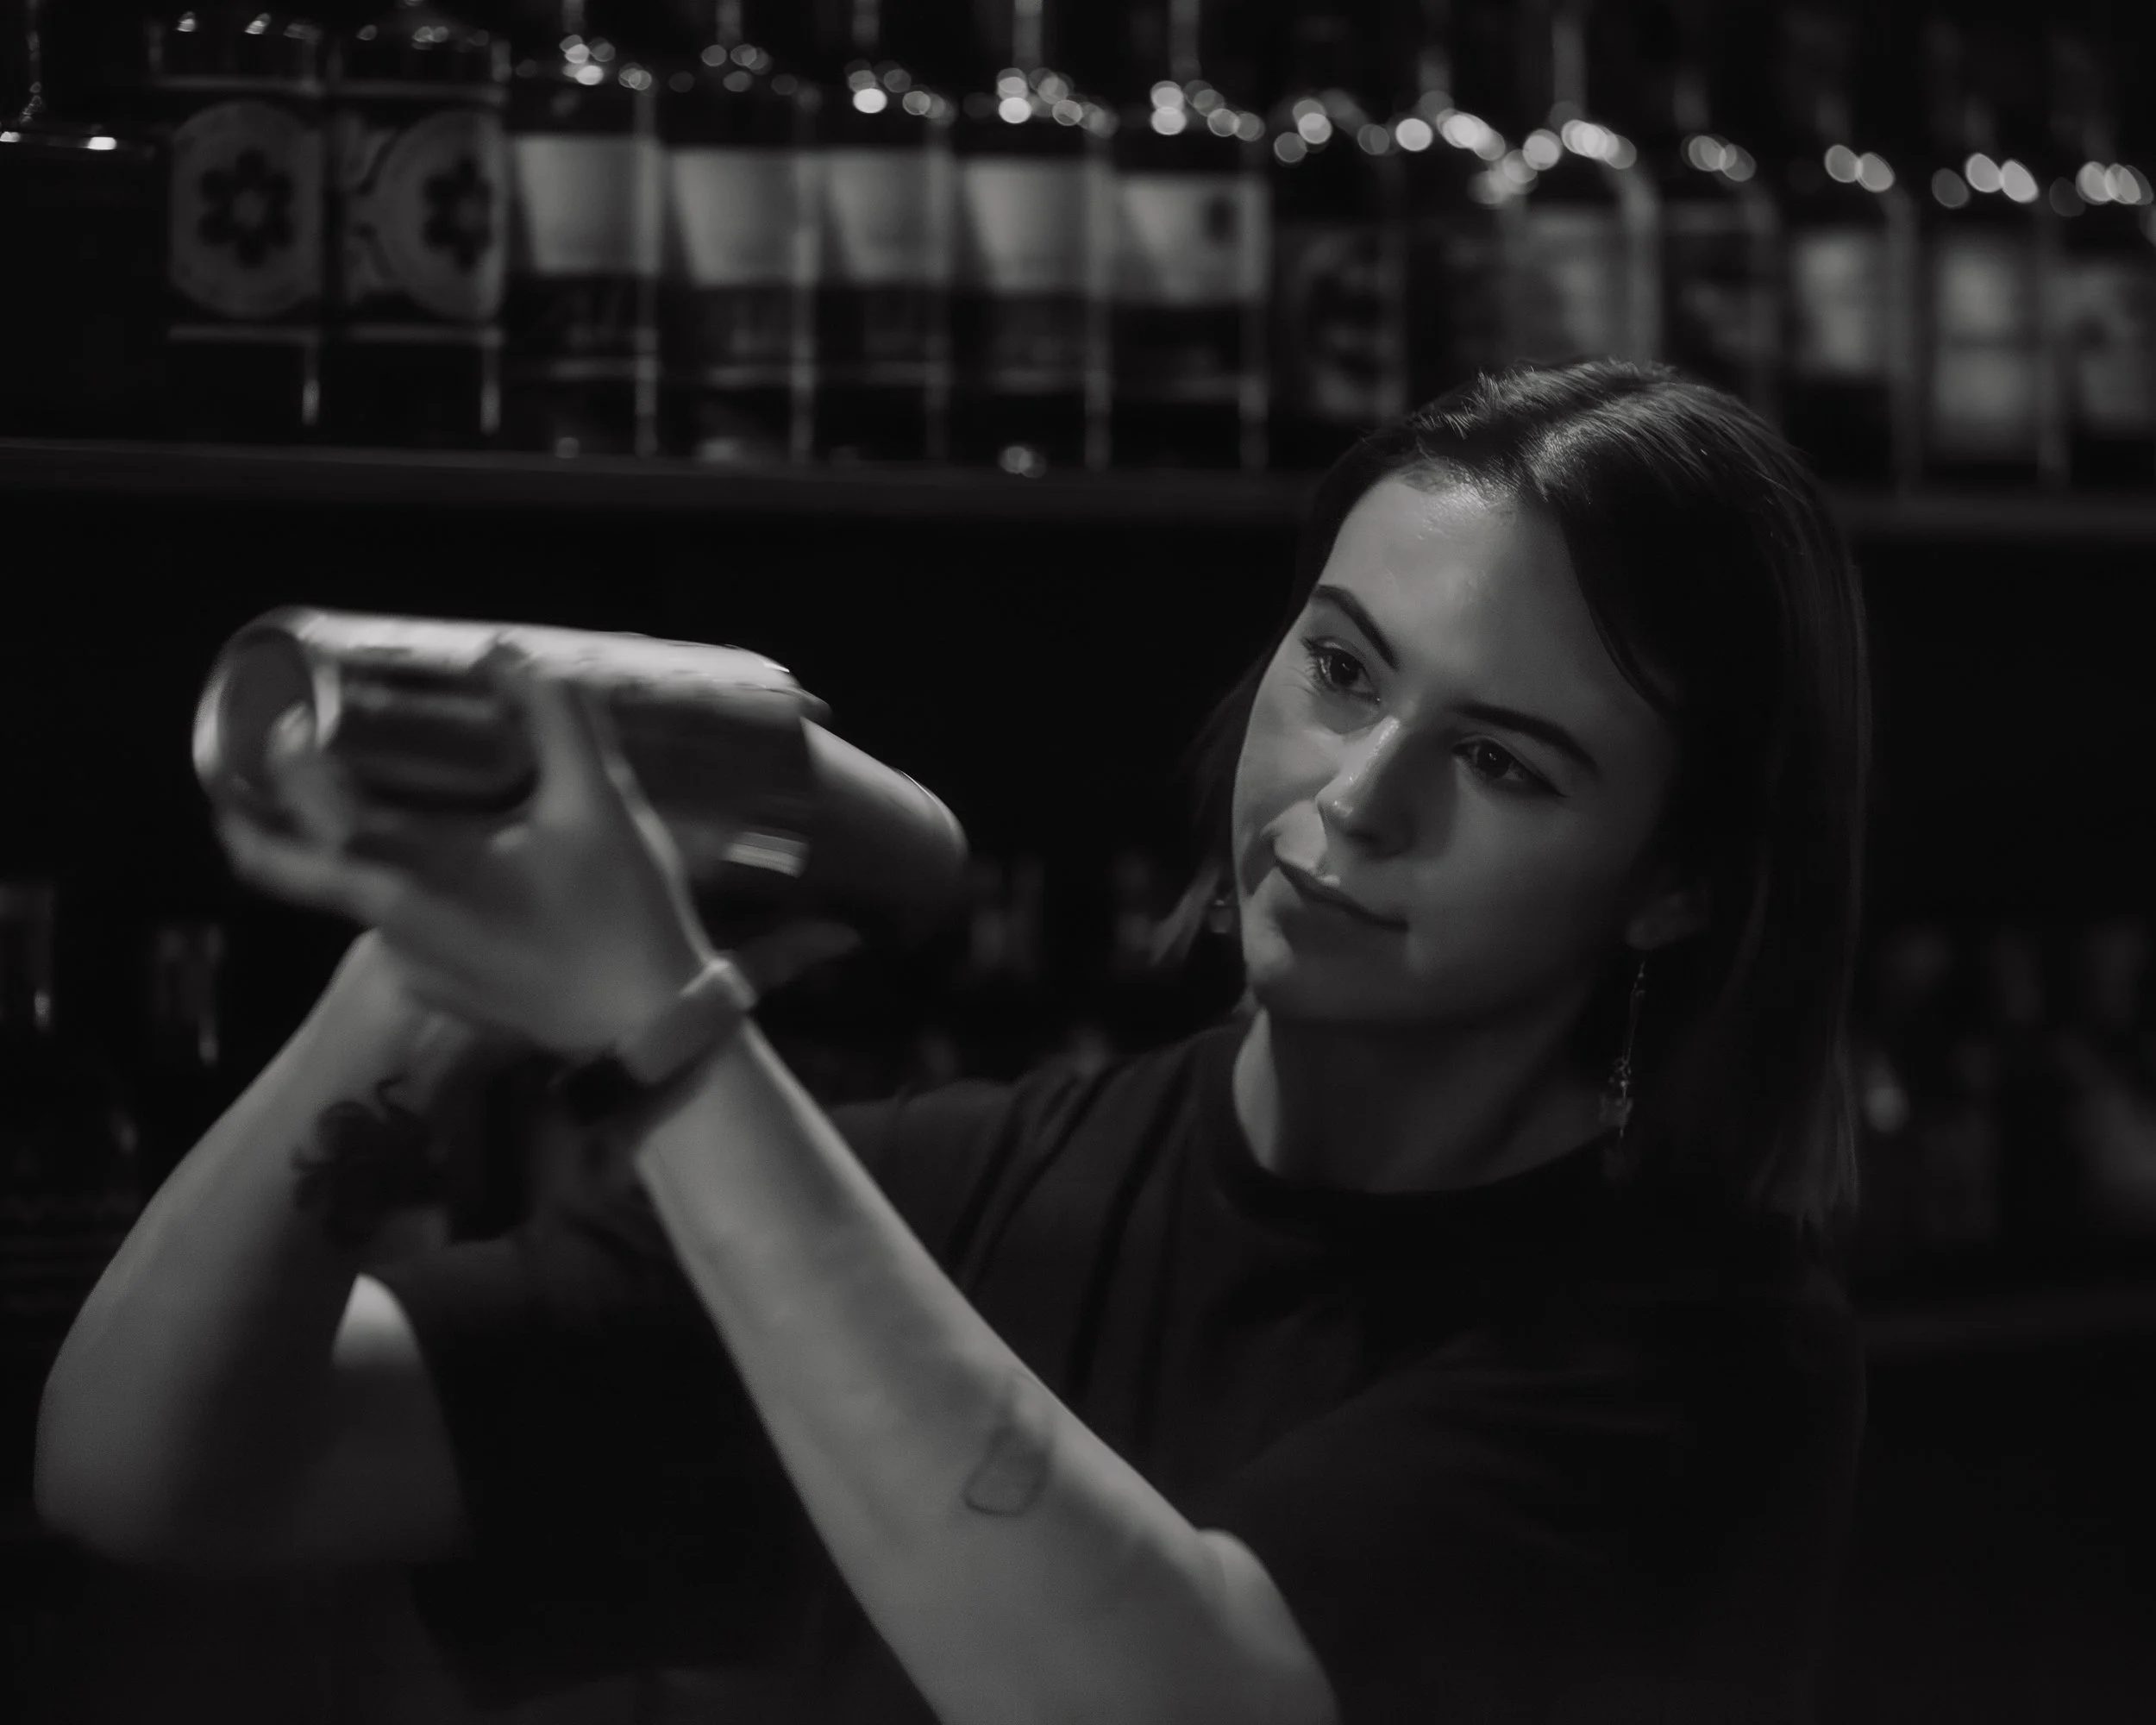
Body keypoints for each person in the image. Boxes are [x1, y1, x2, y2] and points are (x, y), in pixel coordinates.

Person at [37, 359, 1872, 1725]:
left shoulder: (1687, 1358)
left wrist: (669, 1030)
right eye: (1340, 669)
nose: (1356, 798)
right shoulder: (953, 1191)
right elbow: (154, 1464)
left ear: (1672, 889)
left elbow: (1171, 1694)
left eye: (1499, 760)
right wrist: (420, 974)